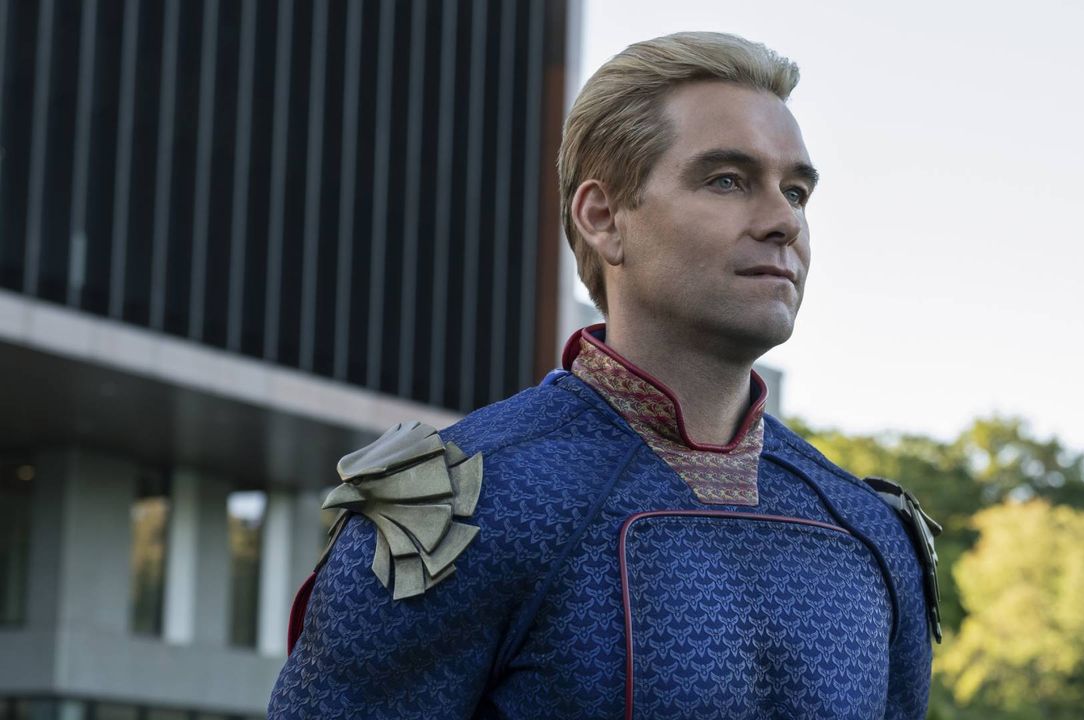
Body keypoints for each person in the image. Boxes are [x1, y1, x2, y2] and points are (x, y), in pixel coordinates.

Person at [268, 31, 940, 720]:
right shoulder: (456, 515)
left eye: (795, 192)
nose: (782, 222)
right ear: (603, 217)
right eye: (726, 180)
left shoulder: (870, 531)